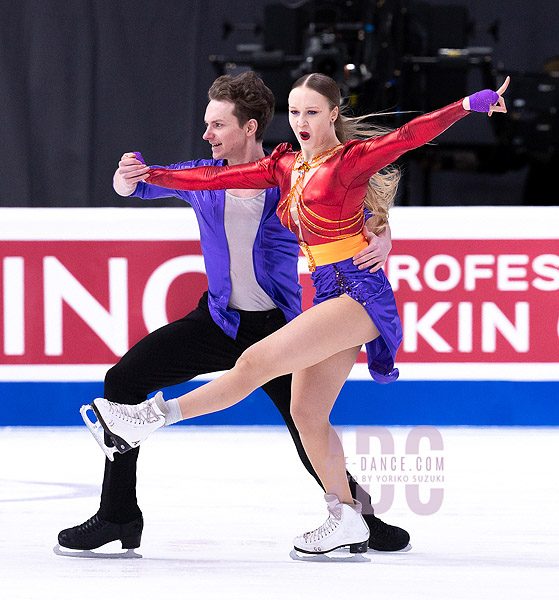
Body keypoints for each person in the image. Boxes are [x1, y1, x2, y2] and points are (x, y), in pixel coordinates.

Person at [89, 72, 509, 556]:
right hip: (293, 302)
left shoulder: (348, 161)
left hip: (347, 295)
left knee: (253, 366)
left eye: (312, 111)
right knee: (307, 414)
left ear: (332, 114)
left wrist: (464, 105)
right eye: (294, 112)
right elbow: (213, 177)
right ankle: (349, 518)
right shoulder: (285, 168)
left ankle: (148, 418)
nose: (302, 121)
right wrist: (147, 176)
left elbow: (407, 137)